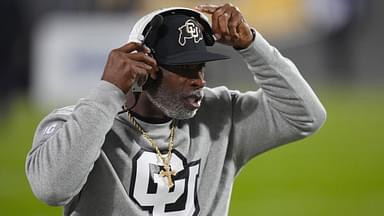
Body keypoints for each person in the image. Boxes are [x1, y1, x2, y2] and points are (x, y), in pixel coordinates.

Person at [26, 3, 326, 216]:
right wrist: (109, 90)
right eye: (184, 68)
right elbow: (52, 189)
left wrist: (252, 45)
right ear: (145, 67)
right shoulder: (76, 123)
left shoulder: (221, 115)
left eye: (201, 67)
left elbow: (306, 117)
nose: (198, 80)